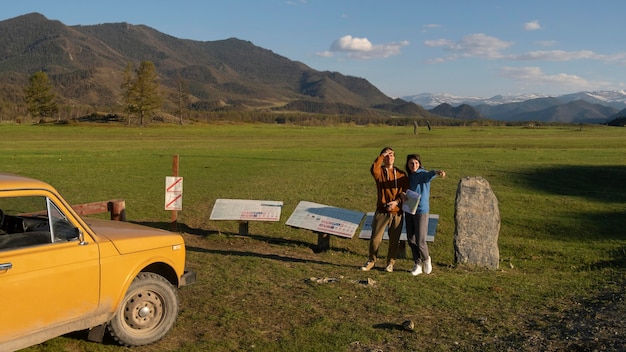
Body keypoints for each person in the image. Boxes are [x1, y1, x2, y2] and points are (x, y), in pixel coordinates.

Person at [361, 147, 408, 272]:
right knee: (375, 238)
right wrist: (381, 156)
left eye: (391, 155)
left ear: (394, 157)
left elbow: (404, 192)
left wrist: (396, 202)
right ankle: (371, 260)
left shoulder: (401, 174)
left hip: (397, 212)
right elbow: (373, 169)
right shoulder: (379, 172)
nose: (389, 157)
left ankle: (390, 263)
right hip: (381, 211)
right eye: (387, 155)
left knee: (394, 240)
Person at [403, 154, 445, 276]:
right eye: (411, 163)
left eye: (416, 163)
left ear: (419, 164)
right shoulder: (409, 177)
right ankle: (417, 263)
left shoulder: (422, 174)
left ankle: (426, 259)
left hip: (421, 211)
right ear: (408, 165)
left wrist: (437, 172)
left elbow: (429, 175)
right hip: (410, 208)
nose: (413, 165)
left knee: (420, 240)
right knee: (411, 239)